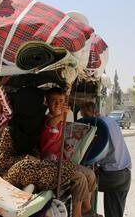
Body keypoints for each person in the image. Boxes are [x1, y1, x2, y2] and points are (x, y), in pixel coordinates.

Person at [0, 87, 75, 193]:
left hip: (35, 168)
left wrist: (35, 158)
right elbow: (2, 161)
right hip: (11, 173)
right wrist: (26, 158)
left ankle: (32, 187)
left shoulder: (36, 125)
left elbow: (37, 150)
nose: (41, 107)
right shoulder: (10, 131)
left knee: (65, 167)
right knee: (25, 167)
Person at [40, 87, 102, 217]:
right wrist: (61, 115)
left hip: (62, 162)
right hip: (49, 165)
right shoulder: (46, 119)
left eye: (60, 101)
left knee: (90, 175)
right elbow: (50, 124)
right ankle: (77, 214)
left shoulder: (62, 121)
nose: (57, 104)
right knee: (79, 179)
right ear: (47, 102)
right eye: (54, 101)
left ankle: (87, 209)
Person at [80, 102, 132, 217]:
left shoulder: (99, 126)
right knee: (114, 213)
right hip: (125, 173)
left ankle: (87, 211)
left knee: (82, 183)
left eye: (85, 116)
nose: (84, 119)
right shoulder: (110, 120)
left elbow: (93, 154)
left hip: (113, 176)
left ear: (92, 113)